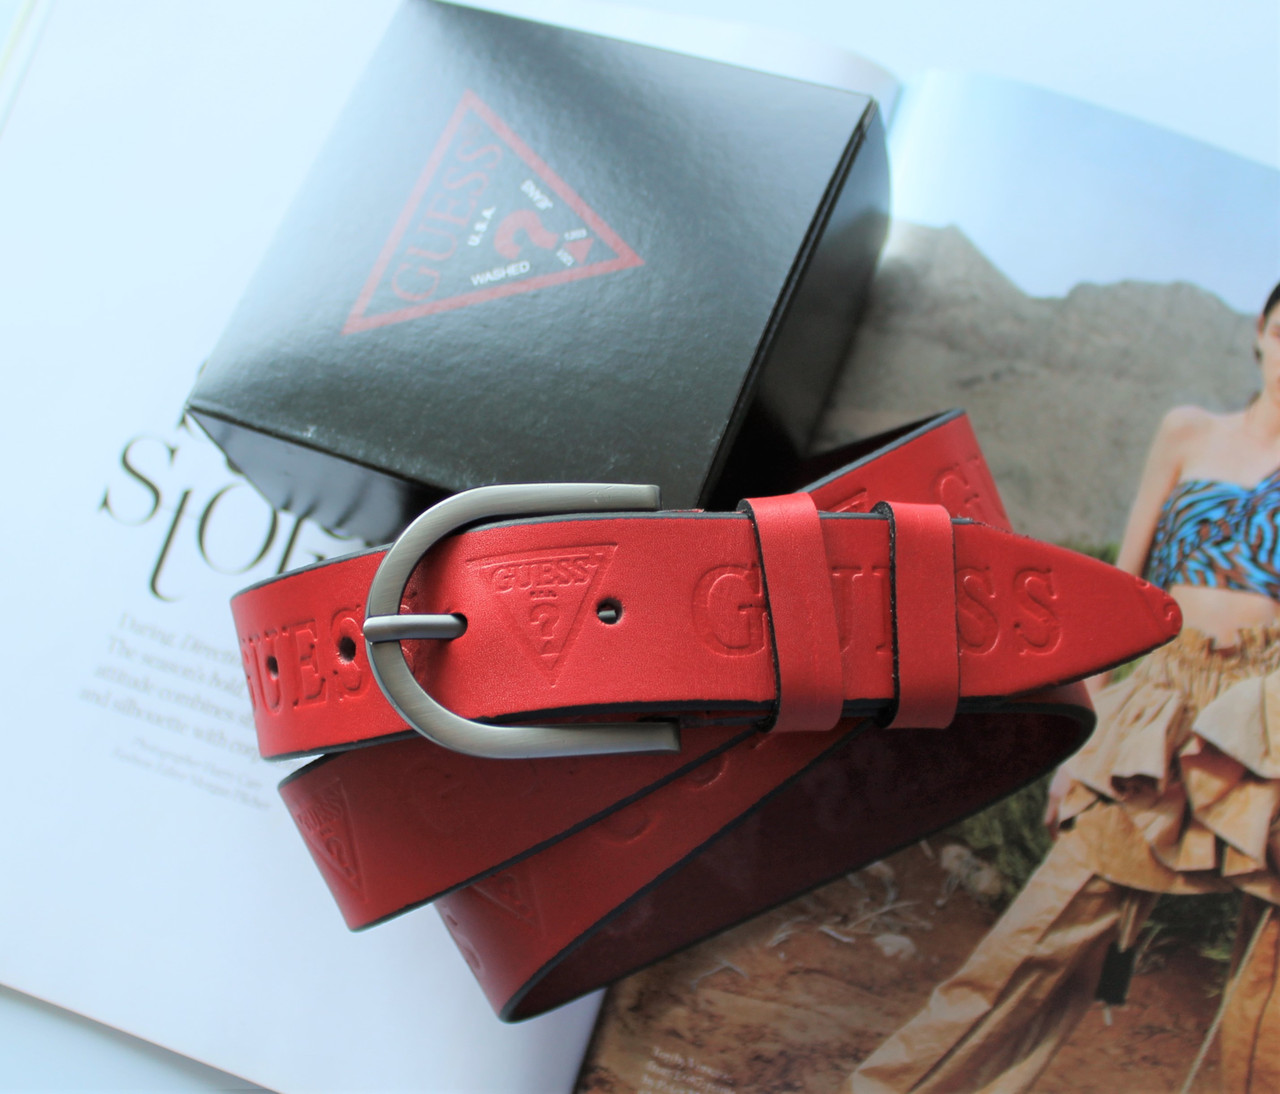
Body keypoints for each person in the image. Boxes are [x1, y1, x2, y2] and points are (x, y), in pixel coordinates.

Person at [850, 282, 1280, 1094]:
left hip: (1270, 712)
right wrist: (1083, 733)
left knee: (1271, 993)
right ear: (1261, 330)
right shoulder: (1188, 431)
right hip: (1167, 695)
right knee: (1037, 939)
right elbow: (1120, 590)